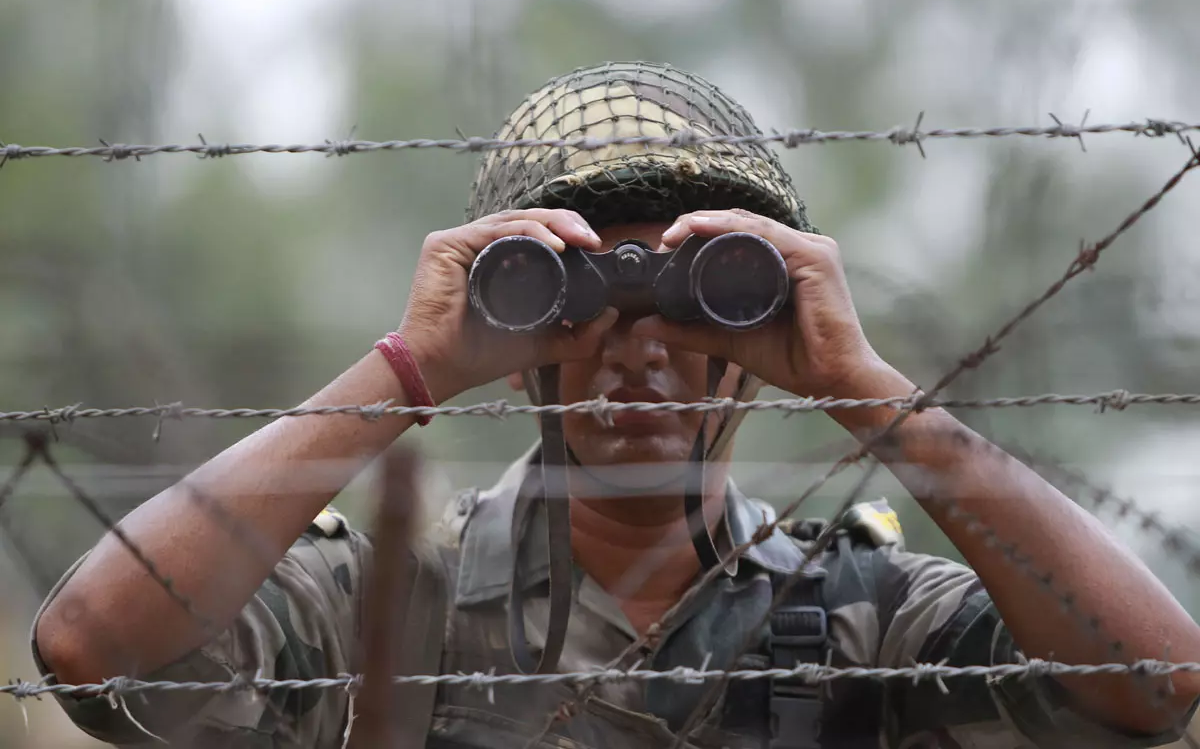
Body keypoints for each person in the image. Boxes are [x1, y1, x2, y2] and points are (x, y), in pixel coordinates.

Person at [29, 61, 1200, 749]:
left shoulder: (858, 612)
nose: (640, 343)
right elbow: (91, 651)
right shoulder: (390, 601)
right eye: (573, 294)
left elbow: (1157, 682)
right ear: (516, 342)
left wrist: (869, 388)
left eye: (706, 298)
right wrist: (410, 365)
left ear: (762, 341)